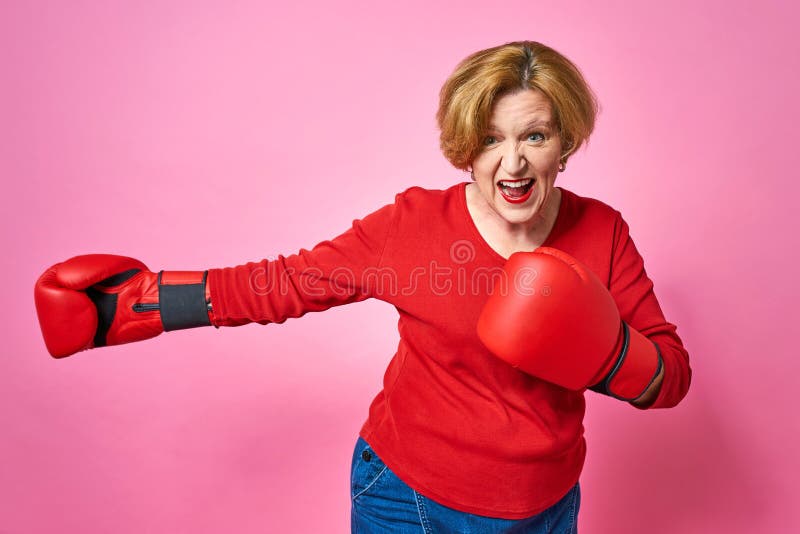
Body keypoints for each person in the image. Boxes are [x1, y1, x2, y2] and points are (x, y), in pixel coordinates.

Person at [34, 41, 692, 533]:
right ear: (465, 146)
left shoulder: (600, 232)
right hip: (409, 499)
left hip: (546, 508)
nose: (512, 161)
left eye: (534, 136)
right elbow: (288, 282)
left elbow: (672, 378)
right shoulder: (413, 226)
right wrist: (142, 303)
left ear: (565, 143)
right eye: (490, 139)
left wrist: (608, 355)